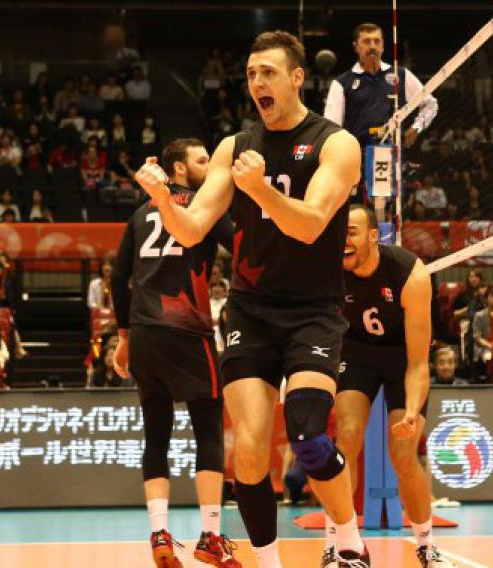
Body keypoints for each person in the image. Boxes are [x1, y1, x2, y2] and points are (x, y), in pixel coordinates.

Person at [133, 31, 369, 568]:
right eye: (250, 74)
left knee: (309, 432)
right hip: (250, 311)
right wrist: (163, 199)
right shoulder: (235, 147)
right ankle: (267, 561)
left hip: (313, 311)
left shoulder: (336, 144)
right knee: (250, 455)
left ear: (296, 78)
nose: (257, 82)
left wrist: (261, 191)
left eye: (267, 72)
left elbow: (310, 226)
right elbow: (192, 229)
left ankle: (350, 542)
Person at [113, 137, 239, 567]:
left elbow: (117, 278)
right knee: (208, 433)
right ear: (180, 170)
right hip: (188, 332)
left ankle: (159, 535)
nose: (212, 165)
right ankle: (210, 537)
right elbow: (240, 247)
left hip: (145, 336)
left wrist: (125, 336)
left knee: (156, 437)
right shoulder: (205, 206)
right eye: (203, 160)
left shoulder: (139, 213)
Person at [330, 206, 455, 567]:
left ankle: (427, 546)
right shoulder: (329, 268)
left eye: (352, 232)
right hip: (355, 351)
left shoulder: (408, 274)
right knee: (347, 437)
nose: (343, 240)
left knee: (404, 455)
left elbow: (418, 362)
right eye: (340, 232)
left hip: (401, 357)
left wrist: (413, 412)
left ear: (373, 236)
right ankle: (340, 544)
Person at [324, 22, 438, 211]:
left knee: (389, 220)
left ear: (384, 45)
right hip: (356, 163)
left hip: (390, 156)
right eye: (366, 41)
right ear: (356, 46)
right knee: (359, 219)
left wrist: (417, 127)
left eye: (377, 41)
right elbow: (331, 128)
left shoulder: (400, 75)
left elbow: (431, 104)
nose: (372, 46)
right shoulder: (342, 83)